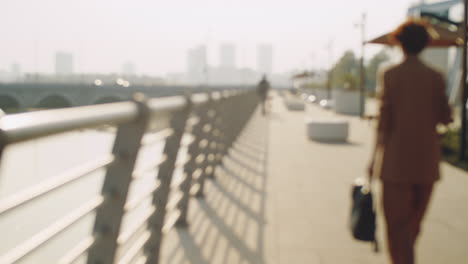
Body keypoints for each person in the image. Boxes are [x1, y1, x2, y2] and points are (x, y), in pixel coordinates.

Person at [367, 20, 452, 264]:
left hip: (395, 164)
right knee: (414, 224)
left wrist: (373, 160)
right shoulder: (436, 77)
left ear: (400, 44)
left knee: (396, 226)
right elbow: (445, 117)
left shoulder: (390, 74)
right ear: (425, 45)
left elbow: (383, 124)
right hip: (426, 163)